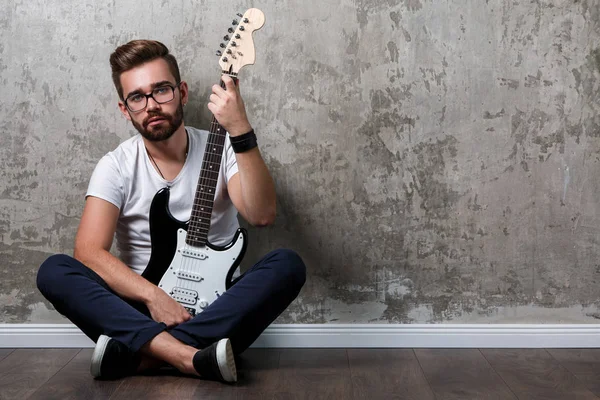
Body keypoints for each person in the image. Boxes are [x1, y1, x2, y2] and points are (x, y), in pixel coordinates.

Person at [36, 39, 306, 383]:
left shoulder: (222, 149)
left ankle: (142, 358)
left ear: (182, 92)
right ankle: (194, 357)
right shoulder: (116, 166)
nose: (151, 105)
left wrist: (240, 130)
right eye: (137, 97)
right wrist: (155, 297)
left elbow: (262, 214)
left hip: (218, 307)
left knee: (287, 265)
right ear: (125, 109)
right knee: (54, 270)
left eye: (161, 90)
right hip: (140, 310)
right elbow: (88, 252)